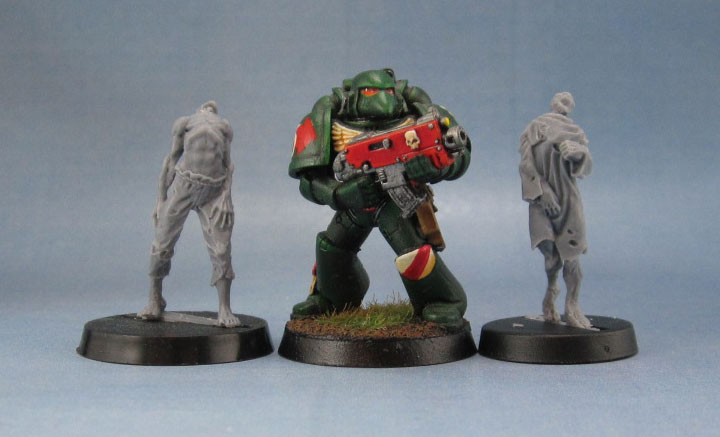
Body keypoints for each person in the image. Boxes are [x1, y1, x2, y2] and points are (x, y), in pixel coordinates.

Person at [288, 69, 471, 327]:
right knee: (330, 248)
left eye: (386, 92)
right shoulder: (328, 114)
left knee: (414, 254)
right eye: (371, 92)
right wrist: (339, 194)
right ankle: (333, 298)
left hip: (395, 202)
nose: (379, 97)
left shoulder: (420, 110)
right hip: (355, 201)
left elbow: (460, 155)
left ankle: (444, 300)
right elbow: (308, 181)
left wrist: (434, 168)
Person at [138, 101, 240, 327]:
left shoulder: (224, 127)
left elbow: (228, 165)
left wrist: (226, 197)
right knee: (162, 242)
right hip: (184, 186)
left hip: (214, 190)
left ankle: (224, 308)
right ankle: (154, 298)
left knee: (221, 249)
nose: (209, 107)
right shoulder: (185, 123)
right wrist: (160, 199)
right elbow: (170, 160)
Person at [519, 92, 593, 329]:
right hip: (542, 201)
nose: (564, 104)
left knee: (572, 257)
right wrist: (543, 191)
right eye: (561, 100)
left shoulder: (576, 133)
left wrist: (580, 154)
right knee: (551, 256)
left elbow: (585, 167)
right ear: (553, 103)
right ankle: (551, 294)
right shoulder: (535, 128)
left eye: (568, 102)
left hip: (568, 199)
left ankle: (572, 306)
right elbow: (526, 165)